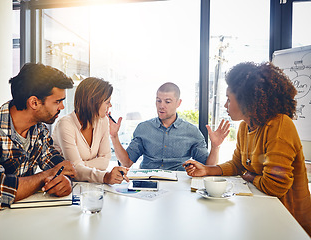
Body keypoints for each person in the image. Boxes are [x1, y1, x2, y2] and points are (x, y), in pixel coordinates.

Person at [184, 62, 311, 236]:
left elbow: (274, 186)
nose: (225, 105)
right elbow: (237, 164)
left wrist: (249, 176)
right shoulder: (245, 127)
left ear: (246, 100)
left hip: (288, 220)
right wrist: (207, 170)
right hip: (261, 212)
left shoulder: (279, 126)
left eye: (229, 99)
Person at [0, 63, 77, 223]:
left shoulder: (39, 130)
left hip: (10, 219)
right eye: (58, 101)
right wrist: (47, 175)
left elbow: (63, 167)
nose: (62, 106)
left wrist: (63, 181)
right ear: (34, 103)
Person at [109, 82, 230, 171]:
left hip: (180, 184)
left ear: (179, 103)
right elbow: (126, 163)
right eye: (158, 101)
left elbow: (208, 167)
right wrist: (114, 137)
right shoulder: (143, 128)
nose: (161, 106)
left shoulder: (192, 132)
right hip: (147, 183)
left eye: (167, 101)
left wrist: (215, 146)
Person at [52, 77, 128, 184]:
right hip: (64, 186)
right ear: (94, 102)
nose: (110, 105)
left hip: (89, 184)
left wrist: (80, 166)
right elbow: (75, 172)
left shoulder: (103, 121)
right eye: (107, 102)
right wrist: (104, 176)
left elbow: (105, 161)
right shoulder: (65, 124)